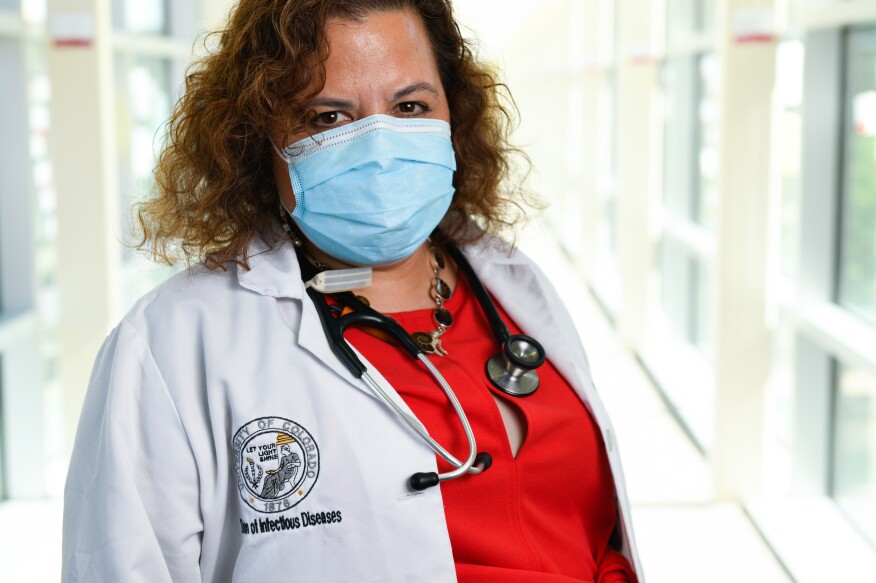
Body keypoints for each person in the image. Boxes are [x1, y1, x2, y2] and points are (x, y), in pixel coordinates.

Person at [62, 0, 643, 581]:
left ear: (453, 116)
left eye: (410, 106)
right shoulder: (173, 346)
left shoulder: (512, 282)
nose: (381, 148)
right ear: (256, 139)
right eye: (328, 118)